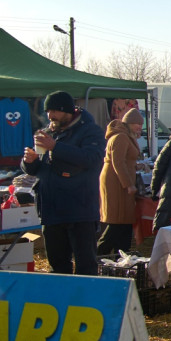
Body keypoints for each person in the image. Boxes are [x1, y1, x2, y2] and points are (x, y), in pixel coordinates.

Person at [21, 90, 106, 275]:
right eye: (48, 111)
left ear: (67, 110)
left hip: (80, 210)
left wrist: (56, 147)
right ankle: (60, 302)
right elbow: (39, 169)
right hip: (51, 211)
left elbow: (92, 158)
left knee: (85, 265)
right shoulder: (50, 131)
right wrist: (29, 162)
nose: (50, 116)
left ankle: (84, 301)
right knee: (57, 266)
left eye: (54, 111)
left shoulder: (90, 131)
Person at [97, 108, 144, 255]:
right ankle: (99, 253)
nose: (139, 127)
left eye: (140, 124)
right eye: (136, 123)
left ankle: (121, 252)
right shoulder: (121, 137)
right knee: (117, 219)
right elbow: (118, 162)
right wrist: (128, 184)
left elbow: (125, 159)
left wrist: (137, 165)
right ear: (128, 123)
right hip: (117, 182)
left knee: (124, 219)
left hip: (120, 180)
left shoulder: (126, 136)